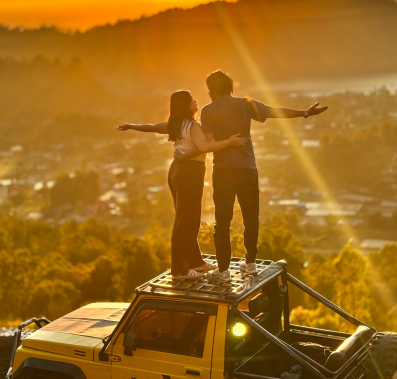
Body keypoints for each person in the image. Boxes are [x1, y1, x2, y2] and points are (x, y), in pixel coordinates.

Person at [175, 70, 328, 282]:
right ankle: (250, 263)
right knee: (251, 217)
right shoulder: (245, 104)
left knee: (222, 222)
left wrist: (183, 156)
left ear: (212, 90)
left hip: (224, 171)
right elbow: (274, 112)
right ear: (229, 86)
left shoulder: (209, 110)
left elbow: (206, 145)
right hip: (248, 169)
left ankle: (223, 270)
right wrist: (304, 113)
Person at [117, 90, 246, 282]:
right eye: (191, 100)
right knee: (186, 222)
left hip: (176, 171)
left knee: (187, 219)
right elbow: (203, 147)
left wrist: (131, 126)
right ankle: (179, 271)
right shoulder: (193, 126)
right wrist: (229, 142)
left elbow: (152, 127)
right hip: (190, 173)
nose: (195, 101)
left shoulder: (176, 124)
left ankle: (195, 262)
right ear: (186, 105)